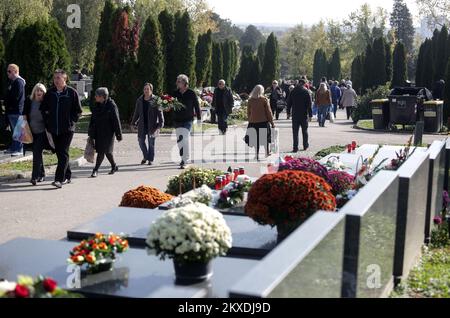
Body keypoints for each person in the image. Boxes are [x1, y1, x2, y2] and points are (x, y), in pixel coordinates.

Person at [41, 69, 82, 189]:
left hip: (67, 129)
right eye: (55, 78)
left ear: (65, 79)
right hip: (53, 129)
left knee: (63, 153)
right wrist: (47, 121)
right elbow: (43, 109)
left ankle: (59, 179)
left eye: (59, 78)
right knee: (60, 153)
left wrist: (71, 121)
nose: (56, 80)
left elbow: (78, 111)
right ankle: (68, 175)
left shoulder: (71, 93)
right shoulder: (50, 93)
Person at [89, 87, 122, 178]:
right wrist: (90, 133)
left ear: (103, 97)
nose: (95, 97)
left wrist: (119, 134)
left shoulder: (111, 105)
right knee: (107, 152)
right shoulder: (97, 105)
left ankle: (95, 170)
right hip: (98, 132)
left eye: (97, 95)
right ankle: (114, 166)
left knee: (101, 152)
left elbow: (116, 120)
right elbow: (92, 120)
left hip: (108, 133)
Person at [173, 74, 201, 169]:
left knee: (184, 138)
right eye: (177, 81)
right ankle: (183, 157)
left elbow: (196, 106)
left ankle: (185, 159)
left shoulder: (191, 93)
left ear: (184, 83)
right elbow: (170, 105)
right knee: (180, 140)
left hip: (188, 120)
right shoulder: (175, 93)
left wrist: (199, 119)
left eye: (179, 81)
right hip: (177, 120)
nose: (177, 83)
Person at [132, 83, 164, 166]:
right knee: (140, 141)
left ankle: (150, 159)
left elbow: (160, 112)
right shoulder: (140, 100)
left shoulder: (156, 99)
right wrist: (133, 122)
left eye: (148, 89)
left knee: (151, 143)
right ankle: (146, 156)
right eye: (145, 89)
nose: (146, 91)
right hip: (142, 125)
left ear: (151, 90)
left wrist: (161, 123)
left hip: (152, 125)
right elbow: (136, 112)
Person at [23, 83, 47, 185]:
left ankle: (34, 177)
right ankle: (42, 174)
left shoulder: (46, 103)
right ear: (34, 92)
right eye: (37, 90)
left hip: (42, 133)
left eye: (41, 90)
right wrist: (25, 129)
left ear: (43, 92)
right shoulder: (29, 101)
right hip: (31, 132)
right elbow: (24, 114)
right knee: (37, 154)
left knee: (36, 153)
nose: (39, 92)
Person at [246, 85, 275, 160]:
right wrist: (272, 122)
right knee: (265, 138)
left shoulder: (250, 100)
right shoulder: (264, 99)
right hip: (263, 121)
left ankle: (256, 154)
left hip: (253, 122)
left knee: (256, 140)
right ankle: (267, 152)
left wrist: (250, 119)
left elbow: (248, 112)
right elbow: (268, 112)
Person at [4, 64, 26, 157]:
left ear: (15, 71)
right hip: (12, 110)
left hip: (16, 110)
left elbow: (16, 97)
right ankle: (14, 148)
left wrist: (8, 103)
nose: (7, 73)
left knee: (18, 131)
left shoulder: (19, 82)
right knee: (14, 131)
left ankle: (19, 149)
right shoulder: (13, 82)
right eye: (7, 71)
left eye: (9, 71)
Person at [287, 79, 312, 152]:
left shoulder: (293, 91)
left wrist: (288, 113)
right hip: (303, 114)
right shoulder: (306, 91)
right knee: (305, 131)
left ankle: (295, 147)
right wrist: (310, 115)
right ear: (304, 84)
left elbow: (289, 103)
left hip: (295, 114)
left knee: (295, 132)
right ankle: (305, 146)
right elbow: (309, 104)